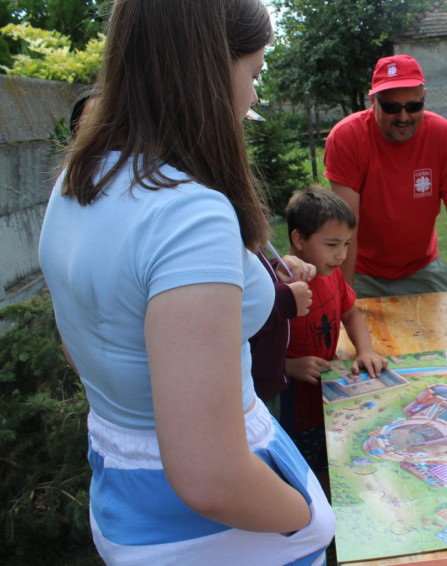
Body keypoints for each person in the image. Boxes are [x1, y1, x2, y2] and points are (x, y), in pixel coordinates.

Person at [38, 1, 335, 563]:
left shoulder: (79, 183)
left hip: (125, 492)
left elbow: (85, 348)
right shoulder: (188, 215)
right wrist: (308, 519)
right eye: (253, 72)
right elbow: (212, 478)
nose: (252, 96)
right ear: (208, 71)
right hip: (212, 528)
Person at [324, 54, 447, 303]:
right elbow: (347, 225)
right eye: (392, 108)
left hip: (421, 268)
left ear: (425, 98)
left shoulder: (443, 136)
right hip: (361, 272)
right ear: (372, 101)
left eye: (414, 106)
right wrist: (346, 297)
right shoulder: (346, 138)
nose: (403, 117)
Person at [281, 186, 387, 481]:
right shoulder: (281, 288)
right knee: (301, 477)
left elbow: (351, 313)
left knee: (335, 468)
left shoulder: (333, 274)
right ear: (299, 239)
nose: (341, 255)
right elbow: (250, 347)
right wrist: (289, 366)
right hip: (292, 407)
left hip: (330, 401)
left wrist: (365, 350)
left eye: (346, 244)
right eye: (332, 244)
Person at [249, 244, 315, 420]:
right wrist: (282, 299)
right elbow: (227, 311)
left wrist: (274, 269)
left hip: (266, 384)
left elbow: (248, 276)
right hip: (250, 394)